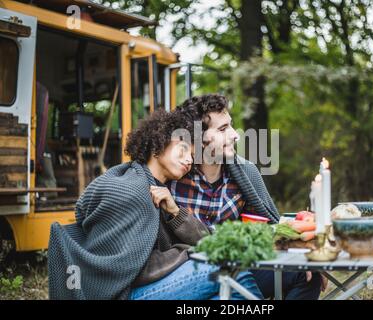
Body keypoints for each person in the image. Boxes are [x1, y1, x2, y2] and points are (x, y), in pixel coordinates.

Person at [47, 108, 262, 300]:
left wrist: (176, 212)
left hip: (150, 285)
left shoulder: (160, 189)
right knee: (231, 272)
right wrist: (186, 251)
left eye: (192, 155)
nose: (189, 160)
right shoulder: (132, 190)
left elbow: (203, 239)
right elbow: (129, 268)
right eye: (183, 149)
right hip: (125, 292)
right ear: (158, 145)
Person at [170, 94, 326, 300]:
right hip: (192, 274)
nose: (235, 135)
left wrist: (300, 255)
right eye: (223, 129)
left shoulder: (246, 172)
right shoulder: (174, 177)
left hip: (242, 266)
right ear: (197, 137)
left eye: (231, 126)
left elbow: (270, 226)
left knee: (306, 275)